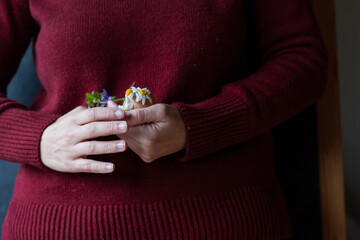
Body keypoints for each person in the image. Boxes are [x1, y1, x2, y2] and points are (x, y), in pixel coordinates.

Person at [0, 0, 327, 239]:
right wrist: (40, 140)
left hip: (224, 216)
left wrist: (200, 125)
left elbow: (303, 60)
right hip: (61, 223)